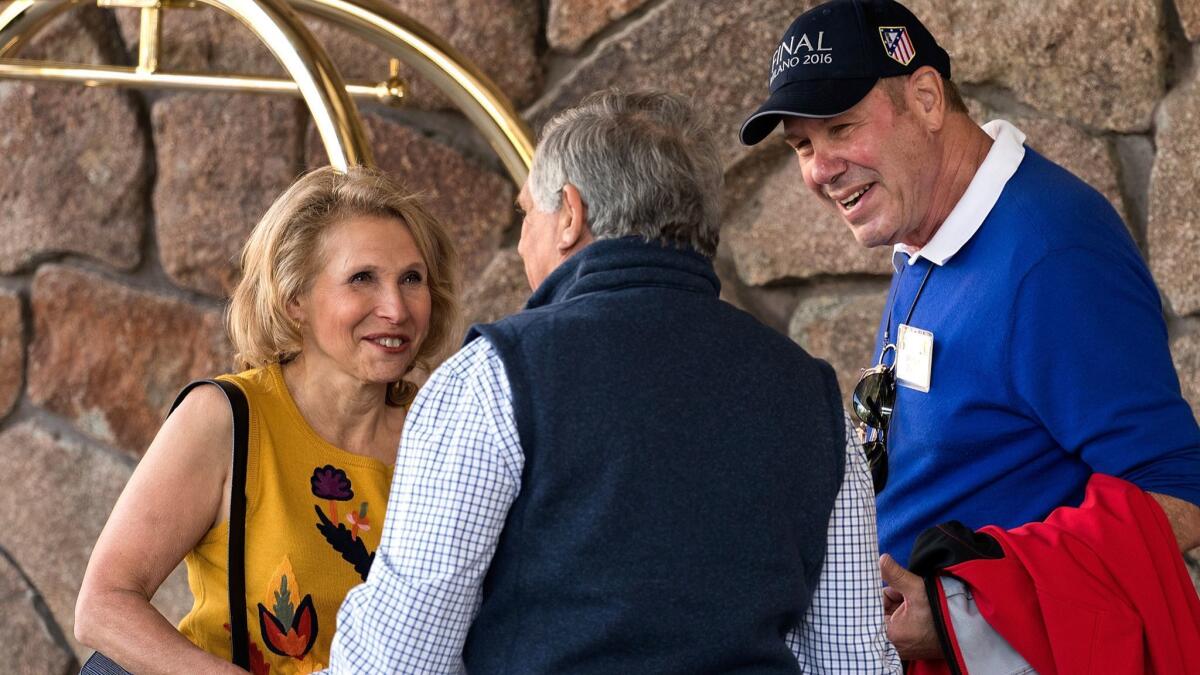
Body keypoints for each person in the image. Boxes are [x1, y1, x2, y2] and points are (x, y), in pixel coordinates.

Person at [325, 90, 899, 673]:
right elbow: (854, 659)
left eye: (528, 215)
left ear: (570, 215)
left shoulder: (496, 375)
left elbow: (397, 660)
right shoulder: (809, 392)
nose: (524, 240)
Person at [741, 0, 1200, 670]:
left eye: (840, 127)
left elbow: (1177, 491)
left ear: (926, 98)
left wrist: (963, 609)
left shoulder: (1052, 255)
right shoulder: (926, 228)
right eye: (803, 145)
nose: (819, 169)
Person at [74, 166, 462, 673]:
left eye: (412, 279)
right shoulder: (227, 419)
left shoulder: (440, 434)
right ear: (293, 298)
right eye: (362, 278)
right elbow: (103, 605)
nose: (395, 307)